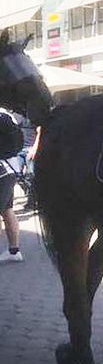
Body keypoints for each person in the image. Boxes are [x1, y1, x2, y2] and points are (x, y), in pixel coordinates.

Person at [0, 109, 23, 263]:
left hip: (1, 169)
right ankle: (14, 251)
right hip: (11, 167)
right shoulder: (7, 114)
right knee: (7, 210)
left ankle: (14, 251)